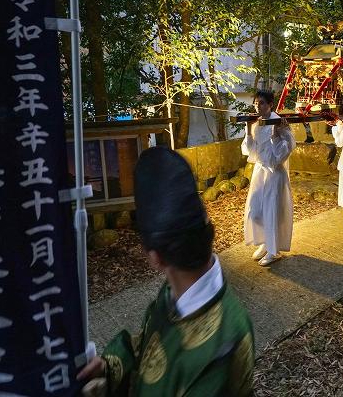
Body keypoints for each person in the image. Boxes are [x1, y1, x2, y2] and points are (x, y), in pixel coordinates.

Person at [77, 148, 255, 396]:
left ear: (155, 258)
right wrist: (108, 369)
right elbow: (147, 348)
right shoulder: (173, 294)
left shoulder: (226, 344)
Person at [242, 90, 296, 266]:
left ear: (270, 104)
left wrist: (275, 134)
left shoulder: (279, 122)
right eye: (256, 103)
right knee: (255, 210)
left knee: (272, 211)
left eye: (262, 103)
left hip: (275, 172)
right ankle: (265, 242)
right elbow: (249, 151)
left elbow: (283, 153)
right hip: (260, 171)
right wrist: (249, 129)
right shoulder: (256, 123)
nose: (258, 106)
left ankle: (273, 250)